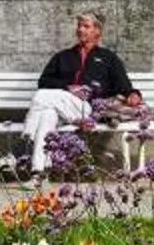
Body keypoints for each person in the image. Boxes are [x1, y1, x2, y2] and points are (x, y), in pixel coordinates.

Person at [24, 10, 141, 175]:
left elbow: (124, 85)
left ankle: (29, 132)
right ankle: (39, 171)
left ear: (97, 31)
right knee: (47, 115)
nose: (80, 30)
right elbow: (44, 81)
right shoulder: (63, 56)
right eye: (79, 26)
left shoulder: (108, 58)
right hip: (62, 107)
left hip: (88, 108)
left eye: (86, 26)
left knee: (40, 97)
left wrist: (133, 94)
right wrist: (68, 87)